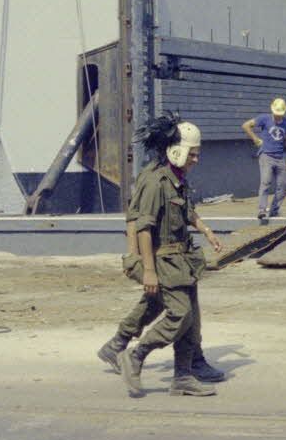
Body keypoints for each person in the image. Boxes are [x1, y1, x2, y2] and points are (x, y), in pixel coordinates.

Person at [97, 113, 226, 385]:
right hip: (160, 259)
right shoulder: (156, 181)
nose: (196, 159)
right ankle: (141, 356)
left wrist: (208, 232)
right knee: (182, 312)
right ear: (177, 151)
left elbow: (186, 211)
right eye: (193, 154)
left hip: (179, 259)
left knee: (167, 305)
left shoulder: (176, 177)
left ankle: (181, 365)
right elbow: (141, 224)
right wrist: (146, 268)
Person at [242, 97, 286, 222]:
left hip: (280, 157)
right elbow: (245, 126)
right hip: (266, 155)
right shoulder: (264, 118)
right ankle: (262, 210)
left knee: (283, 185)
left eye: (280, 114)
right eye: (276, 114)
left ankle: (274, 210)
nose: (277, 116)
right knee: (266, 182)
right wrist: (255, 139)